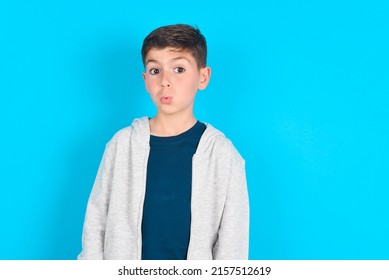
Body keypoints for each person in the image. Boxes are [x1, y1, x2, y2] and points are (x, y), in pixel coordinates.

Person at [78, 24, 249, 260]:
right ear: (145, 78)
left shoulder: (223, 155)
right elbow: (95, 224)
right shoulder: (121, 145)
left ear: (203, 76)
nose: (165, 81)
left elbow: (233, 245)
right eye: (155, 71)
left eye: (179, 69)